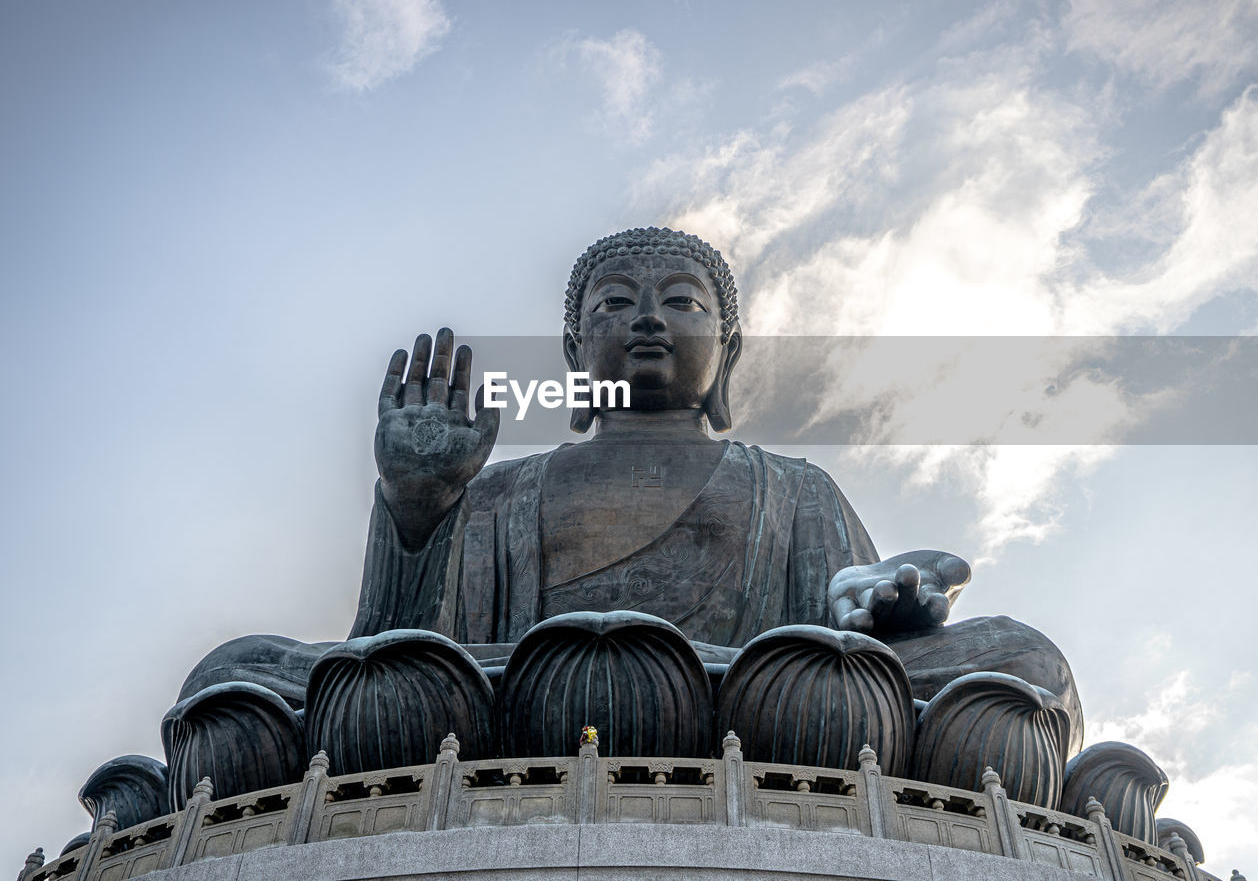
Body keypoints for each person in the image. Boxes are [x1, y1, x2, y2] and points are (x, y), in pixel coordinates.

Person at [184, 227, 1081, 749]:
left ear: (725, 351)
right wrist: (419, 505)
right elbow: (393, 649)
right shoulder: (501, 490)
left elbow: (853, 658)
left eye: (683, 302)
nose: (648, 317)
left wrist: (890, 608)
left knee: (1024, 659)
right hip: (517, 698)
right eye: (613, 304)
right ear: (578, 354)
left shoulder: (794, 489)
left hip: (753, 704)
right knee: (232, 674)